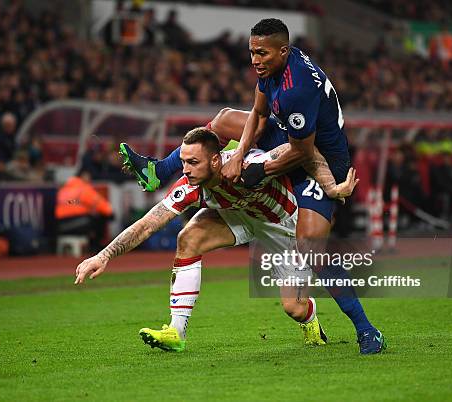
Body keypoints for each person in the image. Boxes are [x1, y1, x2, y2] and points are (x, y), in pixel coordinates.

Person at [119, 18, 386, 354]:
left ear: (283, 50)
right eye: (252, 52)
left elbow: (303, 152)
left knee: (310, 247)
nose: (255, 60)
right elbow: (258, 115)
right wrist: (239, 154)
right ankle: (160, 170)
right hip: (285, 139)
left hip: (318, 163)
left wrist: (260, 171)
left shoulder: (295, 90)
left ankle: (366, 330)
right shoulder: (273, 68)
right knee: (222, 120)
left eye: (262, 53)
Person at [75, 128, 358, 352]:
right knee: (188, 237)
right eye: (184, 162)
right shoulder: (189, 184)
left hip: (282, 226)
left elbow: (299, 150)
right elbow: (149, 223)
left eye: (193, 162)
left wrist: (332, 185)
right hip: (238, 216)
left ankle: (311, 323)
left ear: (215, 160)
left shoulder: (248, 165)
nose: (185, 170)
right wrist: (103, 256)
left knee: (293, 308)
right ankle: (176, 331)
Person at [56, 170, 114, 252]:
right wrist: (110, 213)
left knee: (91, 218)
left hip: (61, 226)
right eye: (88, 177)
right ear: (83, 176)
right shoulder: (83, 188)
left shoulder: (63, 189)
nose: (89, 179)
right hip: (76, 224)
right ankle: (97, 248)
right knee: (100, 218)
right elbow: (101, 205)